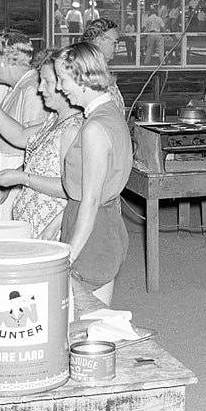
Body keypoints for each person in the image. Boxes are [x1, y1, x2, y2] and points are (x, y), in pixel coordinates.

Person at [0, 49, 83, 239]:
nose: (40, 89)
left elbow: (74, 188)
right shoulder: (54, 120)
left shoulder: (72, 129)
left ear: (67, 84)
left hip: (52, 232)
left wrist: (22, 178)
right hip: (33, 226)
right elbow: (20, 135)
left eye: (47, 82)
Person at [53, 43, 132, 305]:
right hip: (103, 222)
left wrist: (70, 255)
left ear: (82, 78)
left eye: (62, 79)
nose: (58, 87)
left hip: (93, 230)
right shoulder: (110, 114)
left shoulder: (95, 129)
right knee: (95, 316)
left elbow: (90, 200)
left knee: (88, 318)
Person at [0, 31, 47, 218]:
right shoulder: (16, 87)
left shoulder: (31, 90)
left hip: (18, 172)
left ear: (5, 59)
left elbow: (38, 146)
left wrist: (14, 179)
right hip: (8, 168)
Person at [81, 18, 125, 113]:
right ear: (98, 41)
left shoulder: (101, 71)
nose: (117, 48)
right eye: (115, 43)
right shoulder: (87, 75)